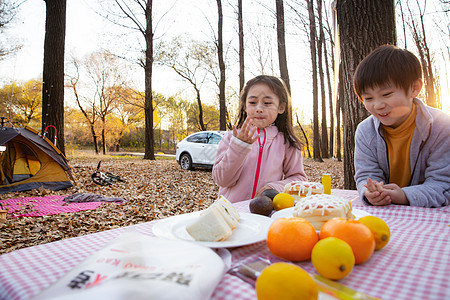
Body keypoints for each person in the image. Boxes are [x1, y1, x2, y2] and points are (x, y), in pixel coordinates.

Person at [353, 44, 450, 207]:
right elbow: (366, 175)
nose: (377, 105)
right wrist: (371, 192)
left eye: (386, 94)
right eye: (368, 98)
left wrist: (404, 195)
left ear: (414, 88)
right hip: (384, 213)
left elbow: (443, 184)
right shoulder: (365, 131)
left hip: (431, 217)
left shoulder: (441, 127)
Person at [212, 75, 307, 203]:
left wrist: (274, 188)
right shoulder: (230, 138)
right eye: (252, 102)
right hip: (231, 213)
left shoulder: (287, 142)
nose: (259, 109)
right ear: (245, 106)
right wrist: (238, 146)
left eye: (267, 103)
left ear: (281, 107)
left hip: (266, 214)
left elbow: (298, 178)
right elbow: (222, 180)